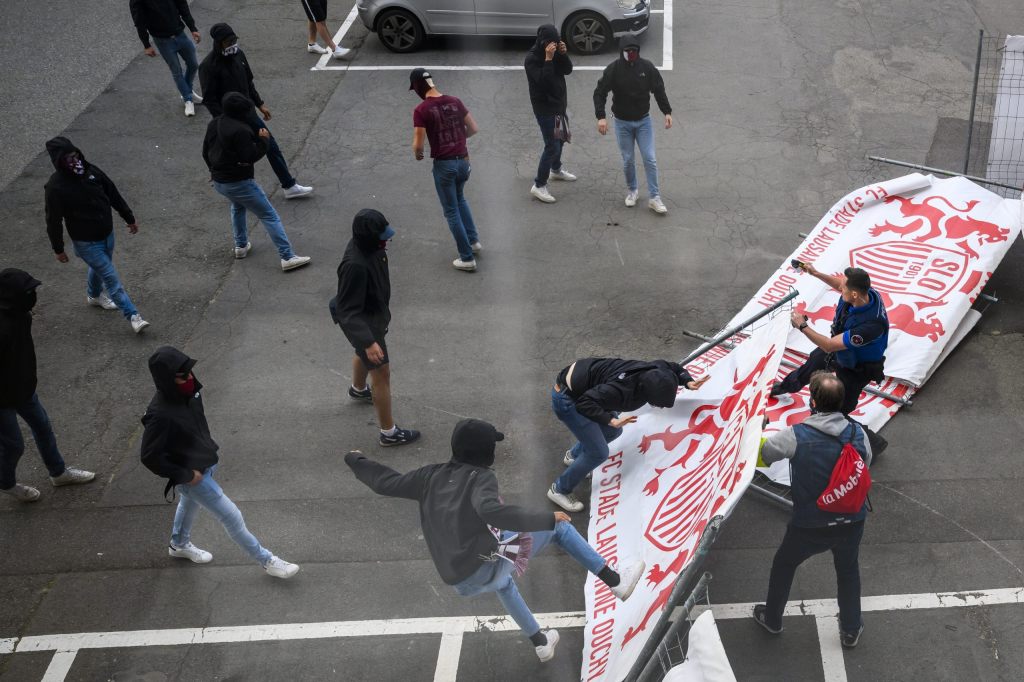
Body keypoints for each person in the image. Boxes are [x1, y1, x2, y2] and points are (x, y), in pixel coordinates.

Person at [345, 418, 645, 661]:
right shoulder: (482, 477)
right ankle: (616, 581)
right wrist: (546, 518)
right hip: (485, 563)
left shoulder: (429, 476)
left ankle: (541, 642)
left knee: (504, 580)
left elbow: (386, 482)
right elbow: (492, 511)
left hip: (459, 577)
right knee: (560, 530)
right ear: (484, 452)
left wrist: (356, 459)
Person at [140, 346, 300, 578]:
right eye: (183, 375)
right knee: (232, 516)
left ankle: (179, 545)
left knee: (189, 503)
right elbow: (149, 456)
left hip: (205, 463)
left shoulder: (190, 391)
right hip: (193, 474)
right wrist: (185, 475)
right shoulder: (160, 414)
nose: (190, 378)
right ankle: (268, 561)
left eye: (190, 372)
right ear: (167, 379)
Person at [753, 372, 871, 649]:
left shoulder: (796, 435)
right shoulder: (858, 433)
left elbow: (763, 456)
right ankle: (851, 629)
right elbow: (864, 463)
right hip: (852, 520)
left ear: (814, 401)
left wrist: (757, 430)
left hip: (810, 524)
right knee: (848, 570)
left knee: (784, 565)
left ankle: (772, 619)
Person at [547, 358, 708, 512]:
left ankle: (574, 457)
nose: (660, 408)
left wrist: (687, 381)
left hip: (585, 384)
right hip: (568, 399)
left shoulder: (655, 370)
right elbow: (585, 403)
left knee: (613, 432)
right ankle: (560, 489)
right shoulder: (620, 389)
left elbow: (672, 367)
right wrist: (610, 419)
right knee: (599, 453)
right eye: (658, 404)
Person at [0, 269, 95, 502]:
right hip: (2, 398)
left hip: (23, 388)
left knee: (42, 427)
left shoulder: (22, 314)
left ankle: (58, 472)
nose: (33, 295)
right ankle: (6, 483)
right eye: (28, 291)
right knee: (14, 445)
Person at [771, 264, 889, 452]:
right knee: (811, 366)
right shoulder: (865, 293)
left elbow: (828, 344)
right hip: (839, 348)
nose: (840, 288)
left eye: (844, 288)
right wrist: (816, 273)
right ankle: (784, 387)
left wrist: (802, 326)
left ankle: (871, 443)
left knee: (838, 412)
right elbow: (840, 284)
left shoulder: (871, 326)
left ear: (854, 295)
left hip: (857, 366)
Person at [331, 209, 420, 447]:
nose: (387, 239)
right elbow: (347, 310)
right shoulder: (355, 266)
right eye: (382, 235)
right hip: (365, 324)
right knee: (381, 373)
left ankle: (358, 389)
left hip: (372, 319)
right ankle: (389, 433)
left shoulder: (371, 248)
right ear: (370, 237)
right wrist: (369, 341)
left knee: (365, 354)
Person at [44, 137, 150, 334]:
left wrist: (129, 217)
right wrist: (58, 248)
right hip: (86, 243)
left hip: (106, 235)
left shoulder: (91, 171)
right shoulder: (55, 187)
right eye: (68, 158)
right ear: (59, 161)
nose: (74, 160)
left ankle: (93, 296)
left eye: (74, 155)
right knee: (111, 278)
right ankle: (133, 315)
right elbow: (53, 220)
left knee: (101, 268)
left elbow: (112, 193)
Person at [199, 22, 314, 199]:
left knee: (270, 145)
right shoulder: (208, 67)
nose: (232, 45)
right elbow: (210, 99)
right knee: (238, 155)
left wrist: (259, 104)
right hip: (228, 120)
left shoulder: (239, 55)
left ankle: (288, 185)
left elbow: (248, 82)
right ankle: (236, 187)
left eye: (234, 40)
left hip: (248, 114)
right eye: (228, 42)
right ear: (218, 42)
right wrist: (223, 120)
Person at [202, 92, 312, 271]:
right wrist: (264, 141)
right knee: (269, 215)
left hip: (220, 181)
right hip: (239, 182)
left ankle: (241, 246)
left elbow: (205, 150)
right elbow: (249, 157)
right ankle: (287, 256)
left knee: (237, 207)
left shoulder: (215, 123)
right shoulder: (242, 130)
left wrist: (212, 171)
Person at [410, 68, 482, 272]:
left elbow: (418, 143)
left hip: (445, 165)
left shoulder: (421, 110)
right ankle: (474, 241)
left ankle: (467, 258)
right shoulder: (455, 101)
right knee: (460, 200)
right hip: (463, 162)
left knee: (451, 211)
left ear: (417, 87)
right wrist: (457, 138)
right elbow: (474, 128)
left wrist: (418, 154)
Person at [593, 35, 673, 214]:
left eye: (634, 51)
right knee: (628, 159)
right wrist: (601, 116)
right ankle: (632, 190)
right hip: (622, 123)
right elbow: (599, 93)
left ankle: (655, 197)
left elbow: (659, 89)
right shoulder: (613, 70)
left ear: (638, 51)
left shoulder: (647, 67)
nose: (631, 54)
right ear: (622, 52)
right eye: (628, 51)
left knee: (649, 158)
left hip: (643, 121)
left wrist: (667, 112)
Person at [525, 24, 577, 204]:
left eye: (556, 42)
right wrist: (548, 59)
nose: (553, 46)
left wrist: (562, 54)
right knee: (551, 146)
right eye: (550, 43)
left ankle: (555, 169)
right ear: (542, 42)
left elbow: (567, 70)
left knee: (561, 138)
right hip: (545, 108)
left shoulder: (555, 52)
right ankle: (539, 185)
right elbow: (543, 82)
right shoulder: (532, 59)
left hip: (559, 104)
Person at [130, 0, 204, 116]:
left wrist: (193, 28)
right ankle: (188, 99)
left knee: (193, 64)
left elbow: (182, 6)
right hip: (162, 41)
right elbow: (139, 22)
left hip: (180, 34)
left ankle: (187, 91)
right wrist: (146, 45)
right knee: (176, 70)